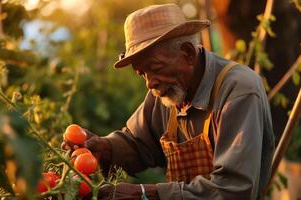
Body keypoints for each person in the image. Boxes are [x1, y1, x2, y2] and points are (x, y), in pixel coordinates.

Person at [62, 4, 275, 200]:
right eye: (141, 74)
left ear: (188, 54)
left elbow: (233, 189)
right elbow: (137, 143)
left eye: (155, 68)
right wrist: (105, 147)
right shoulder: (168, 90)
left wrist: (145, 194)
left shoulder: (238, 91)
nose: (149, 83)